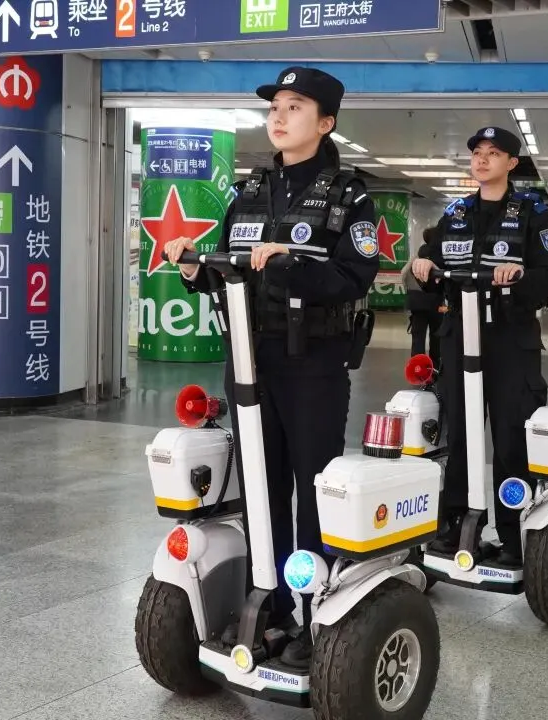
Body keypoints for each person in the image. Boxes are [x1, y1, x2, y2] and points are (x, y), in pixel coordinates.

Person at [164, 66, 378, 669]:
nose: (279, 117)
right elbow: (227, 267)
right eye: (275, 107)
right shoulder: (249, 192)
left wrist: (292, 265)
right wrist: (193, 267)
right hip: (249, 361)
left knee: (312, 490)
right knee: (261, 488)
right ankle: (274, 604)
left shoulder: (349, 196)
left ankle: (317, 612)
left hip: (312, 365)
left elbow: (356, 276)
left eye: (295, 107)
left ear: (326, 122)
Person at [412, 126, 548, 565]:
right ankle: (456, 527)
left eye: (493, 153)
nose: (481, 159)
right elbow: (435, 262)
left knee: (511, 442)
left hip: (510, 340)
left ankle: (514, 537)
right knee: (459, 436)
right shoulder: (456, 212)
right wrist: (423, 265)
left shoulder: (534, 213)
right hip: (460, 337)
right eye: (477, 152)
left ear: (511, 163)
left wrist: (519, 277)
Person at [400, 227, 444, 367]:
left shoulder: (418, 256)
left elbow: (404, 273)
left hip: (417, 303)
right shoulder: (441, 257)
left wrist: (411, 290)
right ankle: (434, 367)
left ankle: (417, 368)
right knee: (436, 336)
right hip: (436, 302)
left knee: (418, 337)